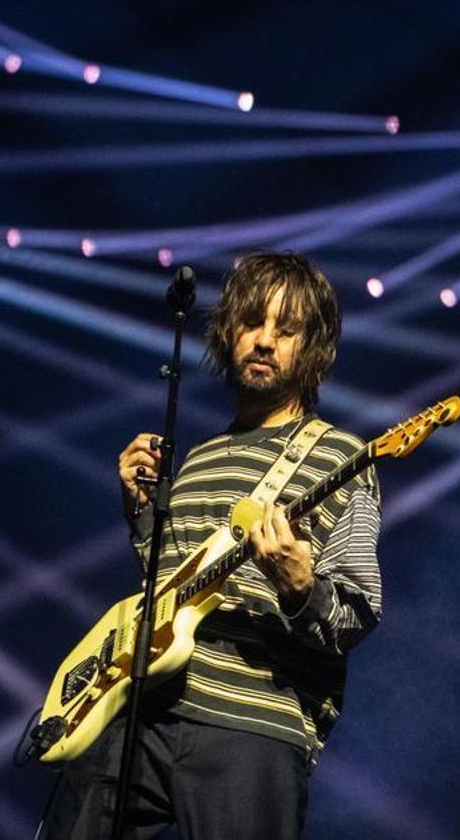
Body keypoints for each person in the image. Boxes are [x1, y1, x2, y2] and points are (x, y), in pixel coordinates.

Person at [44, 252, 383, 840]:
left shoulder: (339, 458)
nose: (264, 342)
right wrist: (142, 513)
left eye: (286, 330)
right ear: (228, 334)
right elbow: (170, 587)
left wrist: (302, 587)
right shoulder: (196, 458)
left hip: (251, 723)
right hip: (139, 708)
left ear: (314, 350)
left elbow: (357, 609)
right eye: (253, 324)